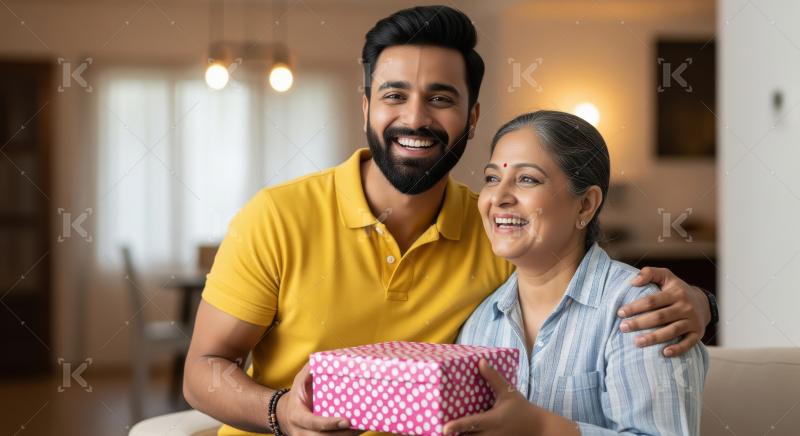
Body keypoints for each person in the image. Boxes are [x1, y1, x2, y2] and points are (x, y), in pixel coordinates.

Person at [183, 6, 715, 436]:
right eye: (394, 95)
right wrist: (282, 414)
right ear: (366, 104)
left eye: (441, 98)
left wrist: (698, 304)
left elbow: (578, 283)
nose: (415, 118)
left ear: (472, 115)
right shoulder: (276, 217)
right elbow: (202, 369)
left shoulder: (497, 239)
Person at [446, 111, 708, 436]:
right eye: (491, 178)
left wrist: (543, 428)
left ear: (585, 205)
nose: (498, 198)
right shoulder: (481, 323)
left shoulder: (640, 311)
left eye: (527, 179)